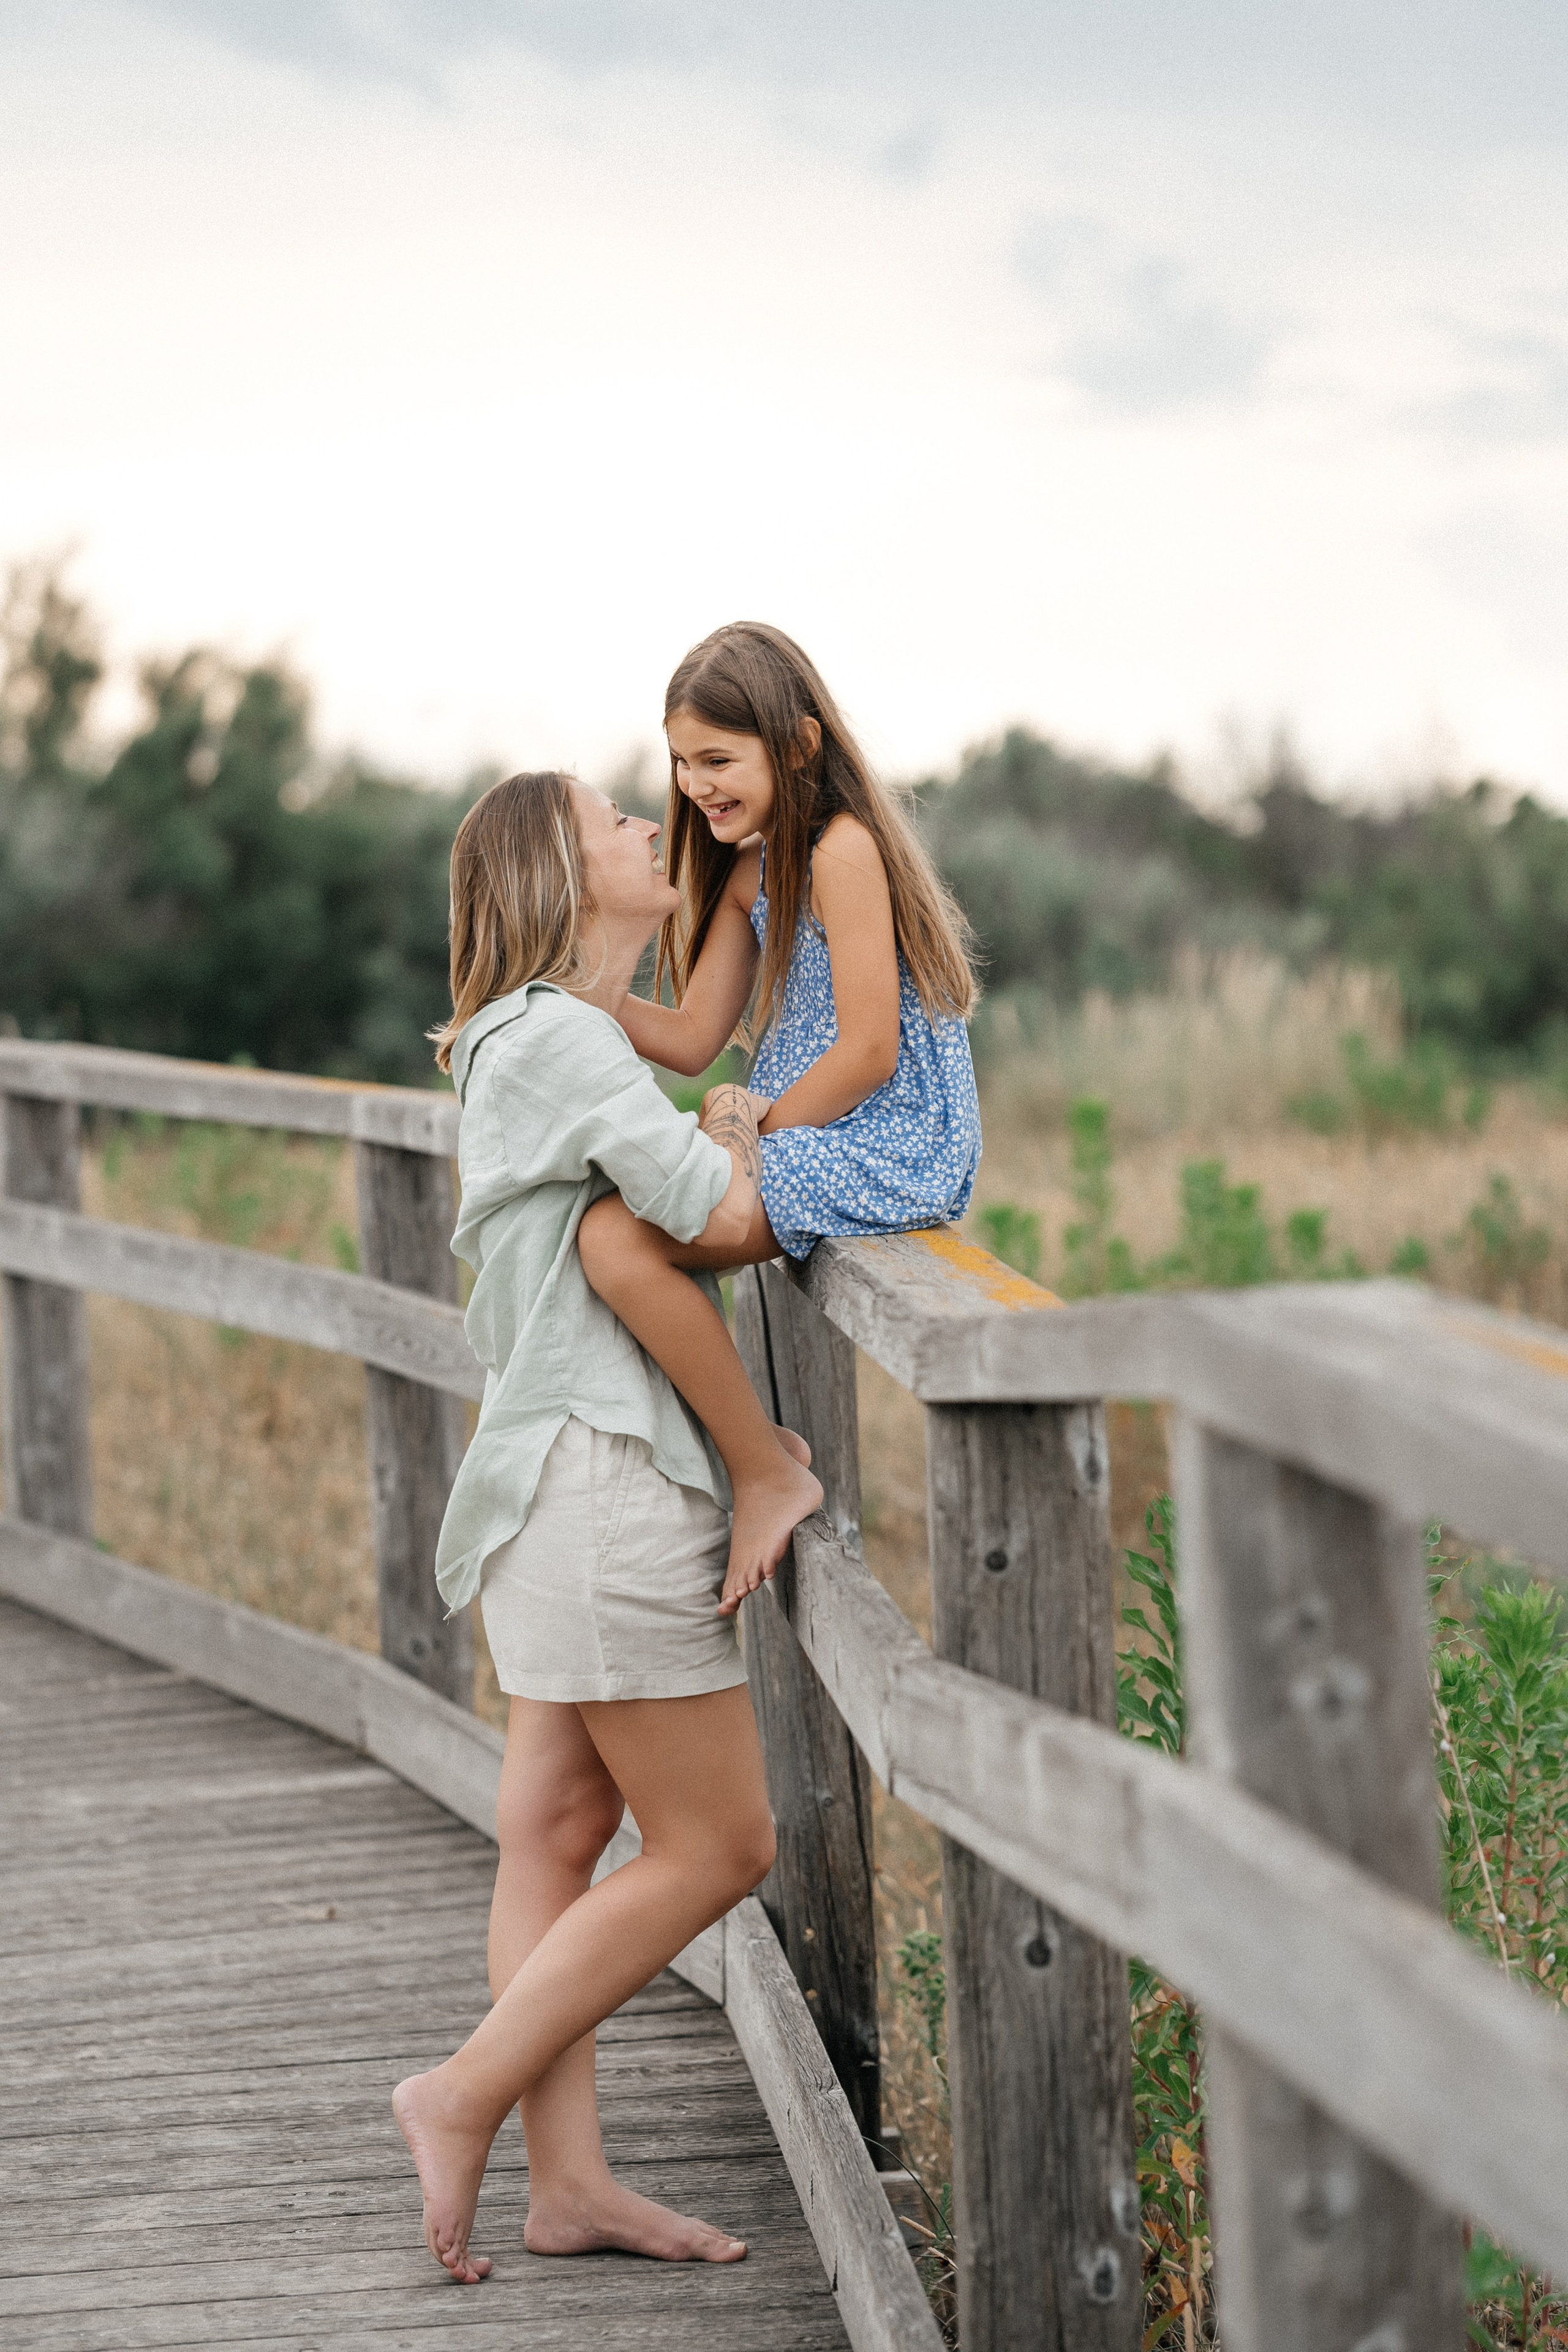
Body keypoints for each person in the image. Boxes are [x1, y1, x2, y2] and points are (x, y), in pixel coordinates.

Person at [393, 769, 808, 2283]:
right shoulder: (564, 1039)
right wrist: (783, 1134)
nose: (650, 824)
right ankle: (461, 2095)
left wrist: (737, 964)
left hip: (541, 1482)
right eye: (618, 822)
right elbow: (710, 1216)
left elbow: (682, 1070)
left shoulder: (533, 1036)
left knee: (560, 1830)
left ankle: (564, 2186)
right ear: (563, 881)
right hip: (600, 1483)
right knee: (718, 1843)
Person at [578, 620, 982, 1618]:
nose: (694, 785)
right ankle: (754, 1460)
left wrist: (753, 1131)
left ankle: (762, 1469)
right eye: (681, 764)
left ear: (798, 747)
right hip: (801, 1133)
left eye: (718, 759)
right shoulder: (755, 872)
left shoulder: (842, 851)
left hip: (884, 1137)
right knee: (607, 1231)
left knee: (622, 1242)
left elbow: (869, 1051)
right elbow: (689, 1036)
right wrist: (562, 988)